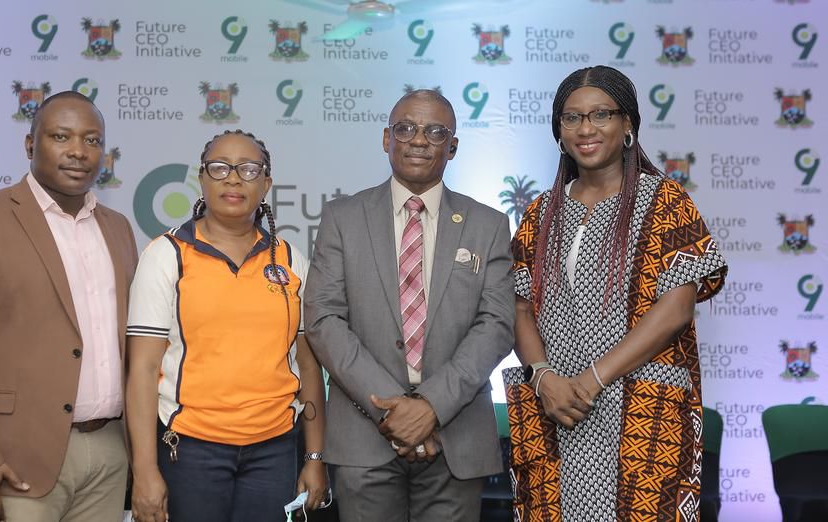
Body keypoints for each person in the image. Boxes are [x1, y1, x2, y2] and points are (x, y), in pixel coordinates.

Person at [506, 65, 729, 521]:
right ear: (559, 131)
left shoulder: (665, 200)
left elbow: (675, 309)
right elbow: (519, 307)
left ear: (628, 124)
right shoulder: (539, 213)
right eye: (571, 118)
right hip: (557, 411)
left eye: (601, 114)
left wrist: (590, 380)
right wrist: (544, 378)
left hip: (640, 413)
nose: (585, 128)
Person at [0, 91, 139, 521]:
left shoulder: (118, 228)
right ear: (30, 145)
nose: (78, 151)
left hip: (111, 452)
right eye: (62, 136)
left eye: (92, 140)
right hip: (16, 457)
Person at [304, 89, 515, 521]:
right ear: (386, 139)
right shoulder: (342, 218)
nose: (419, 140)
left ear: (452, 147)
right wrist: (396, 410)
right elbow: (323, 319)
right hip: (365, 435)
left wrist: (431, 407)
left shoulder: (488, 225)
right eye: (406, 128)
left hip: (457, 436)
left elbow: (496, 325)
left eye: (435, 132)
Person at [125, 130, 329, 522]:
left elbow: (308, 367)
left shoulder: (289, 260)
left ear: (266, 183)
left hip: (274, 451)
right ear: (201, 179)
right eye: (219, 168)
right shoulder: (166, 255)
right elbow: (143, 371)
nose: (234, 179)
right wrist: (145, 471)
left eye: (249, 169)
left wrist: (314, 456)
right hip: (190, 451)